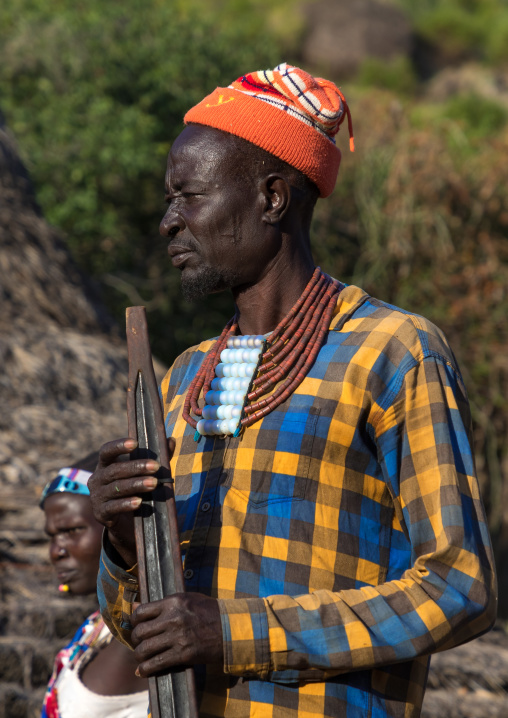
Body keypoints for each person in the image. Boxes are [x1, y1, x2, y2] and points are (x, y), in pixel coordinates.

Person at [89, 63, 497, 717]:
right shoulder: (185, 377)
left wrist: (234, 633)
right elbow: (142, 629)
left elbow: (461, 586)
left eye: (188, 196)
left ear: (272, 198)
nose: (169, 222)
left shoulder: (392, 352)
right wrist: (122, 542)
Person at [40, 454, 149, 718]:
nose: (56, 552)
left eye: (72, 530)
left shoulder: (145, 621)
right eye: (52, 536)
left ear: (118, 526)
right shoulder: (98, 627)